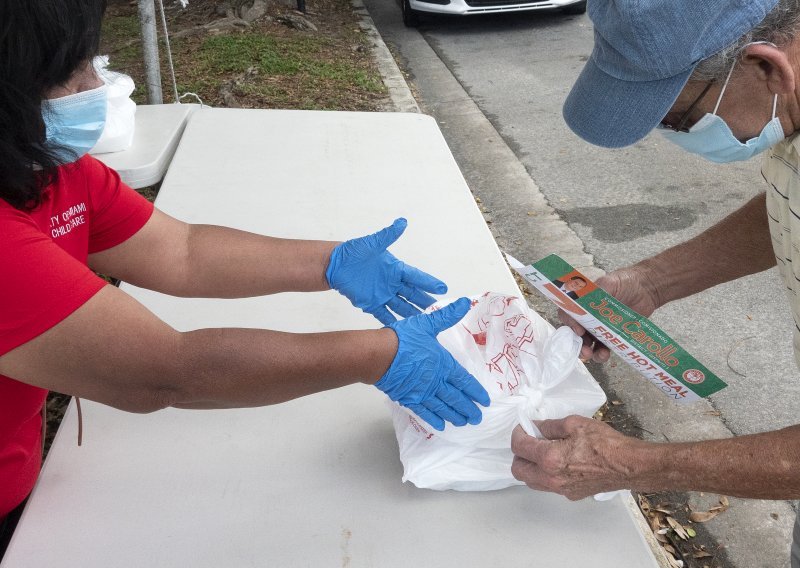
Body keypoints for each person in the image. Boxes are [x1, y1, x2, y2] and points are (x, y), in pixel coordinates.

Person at [0, 0, 491, 554]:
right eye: (70, 74)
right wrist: (377, 355)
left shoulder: (49, 169)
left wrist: (329, 262)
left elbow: (182, 252)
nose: (99, 85)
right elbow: (165, 373)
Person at [508, 0, 800, 565]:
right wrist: (651, 282)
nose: (666, 133)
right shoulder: (790, 103)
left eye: (674, 116)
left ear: (767, 69)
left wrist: (638, 463)